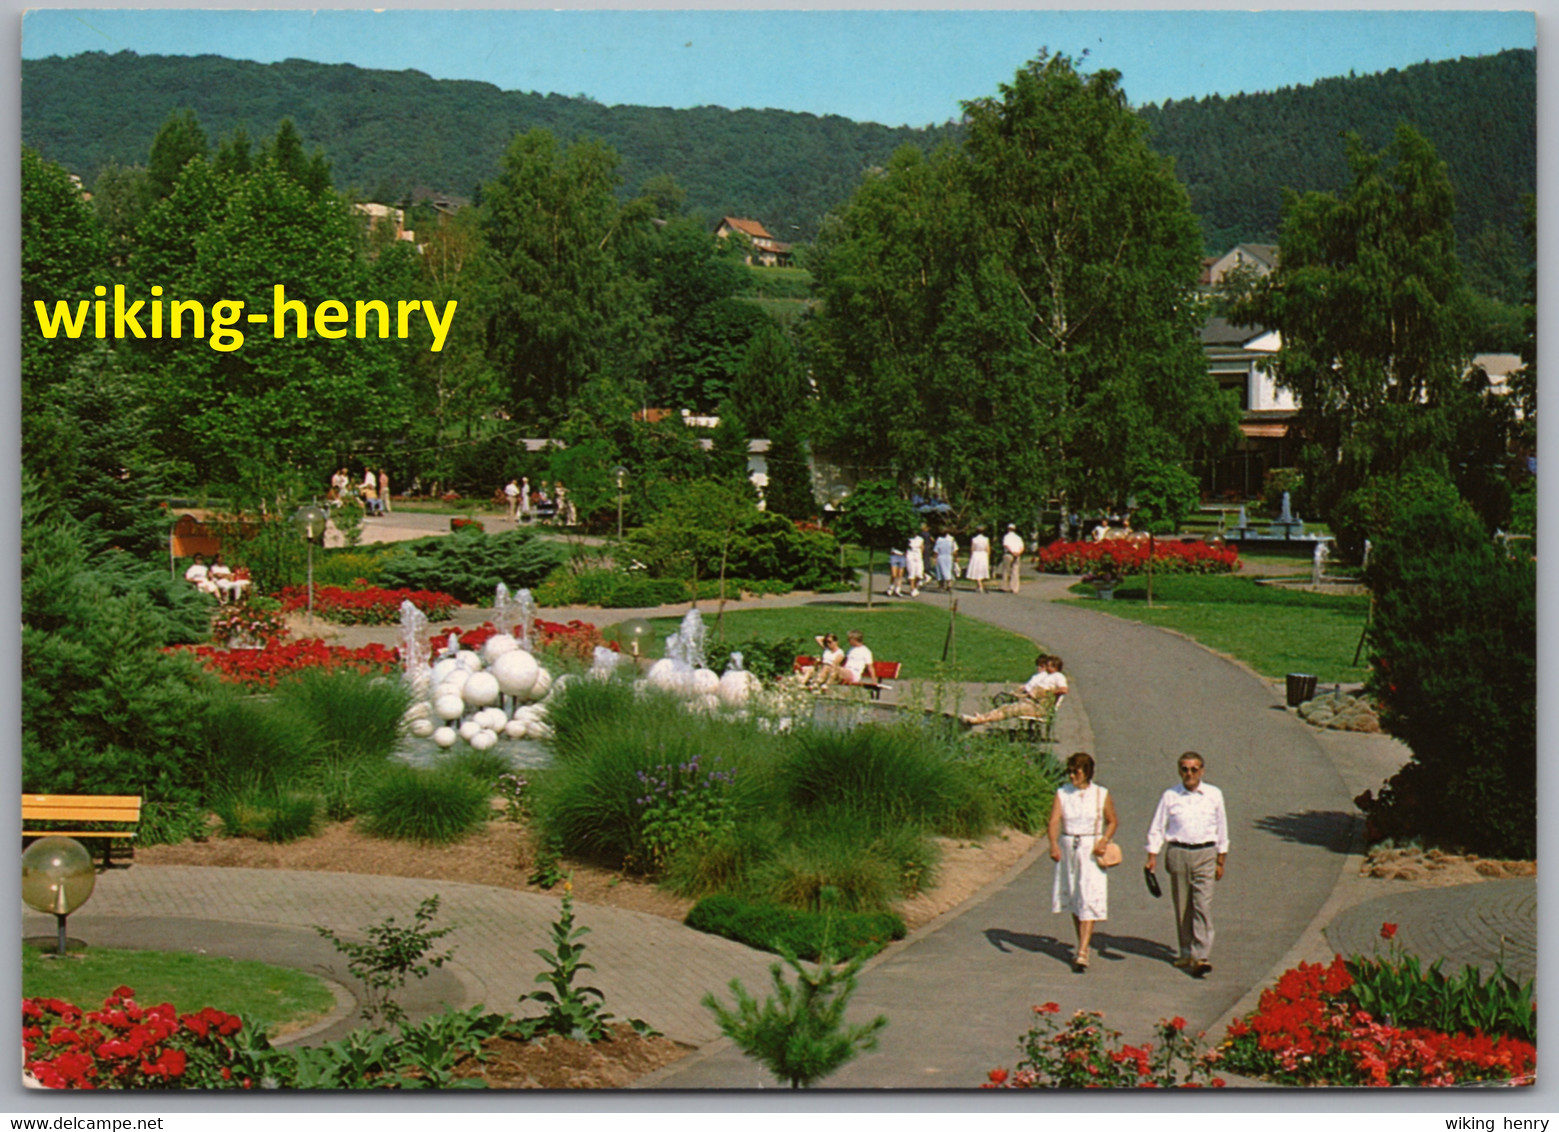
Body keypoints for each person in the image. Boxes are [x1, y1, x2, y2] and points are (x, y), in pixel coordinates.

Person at [1144, 752, 1229, 978]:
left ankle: (1201, 955)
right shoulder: (1170, 796)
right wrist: (1152, 855)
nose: (1189, 774)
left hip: (1205, 853)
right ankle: (1185, 951)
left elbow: (1222, 828)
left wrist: (1221, 859)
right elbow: (1158, 826)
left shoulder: (1213, 795)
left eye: (1194, 769)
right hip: (1178, 852)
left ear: (1202, 771)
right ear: (1179, 771)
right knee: (1183, 904)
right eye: (1184, 769)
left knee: (1202, 905)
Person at [1048, 752, 1117, 972]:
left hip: (1091, 848)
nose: (1072, 776)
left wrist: (1104, 840)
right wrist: (1053, 844)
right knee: (1076, 897)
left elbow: (1112, 821)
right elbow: (1054, 820)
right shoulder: (1062, 793)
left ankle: (1082, 951)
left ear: (1086, 772)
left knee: (1088, 895)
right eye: (1069, 771)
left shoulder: (1101, 794)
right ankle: (1082, 943)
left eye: (1076, 772)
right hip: (1069, 846)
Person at [962, 654, 1065, 726]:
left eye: (1048, 666)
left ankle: (980, 720)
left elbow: (1064, 690)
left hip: (1039, 707)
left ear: (1055, 666)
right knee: (1006, 707)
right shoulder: (1050, 676)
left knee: (1008, 710)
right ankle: (982, 718)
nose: (1045, 668)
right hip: (1033, 703)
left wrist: (1047, 693)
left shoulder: (1058, 676)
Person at [1001, 524, 1026, 593]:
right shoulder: (1018, 538)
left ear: (1008, 529)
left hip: (1009, 554)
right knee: (1015, 571)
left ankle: (1004, 587)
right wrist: (1018, 553)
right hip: (1017, 554)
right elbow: (1022, 547)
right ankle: (1015, 588)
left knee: (1006, 570)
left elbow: (1006, 545)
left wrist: (1012, 552)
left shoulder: (1006, 537)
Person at [967, 528, 991, 594]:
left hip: (976, 554)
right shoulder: (986, 539)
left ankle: (980, 586)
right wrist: (987, 556)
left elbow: (972, 549)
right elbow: (988, 549)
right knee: (981, 570)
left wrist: (971, 556)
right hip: (983, 555)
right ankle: (979, 586)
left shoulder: (974, 539)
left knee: (976, 571)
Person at [905, 529, 926, 597]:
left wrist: (920, 554)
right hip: (910, 556)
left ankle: (915, 586)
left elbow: (922, 548)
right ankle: (912, 588)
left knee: (919, 574)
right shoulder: (908, 539)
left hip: (918, 557)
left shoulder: (920, 539)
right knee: (912, 572)